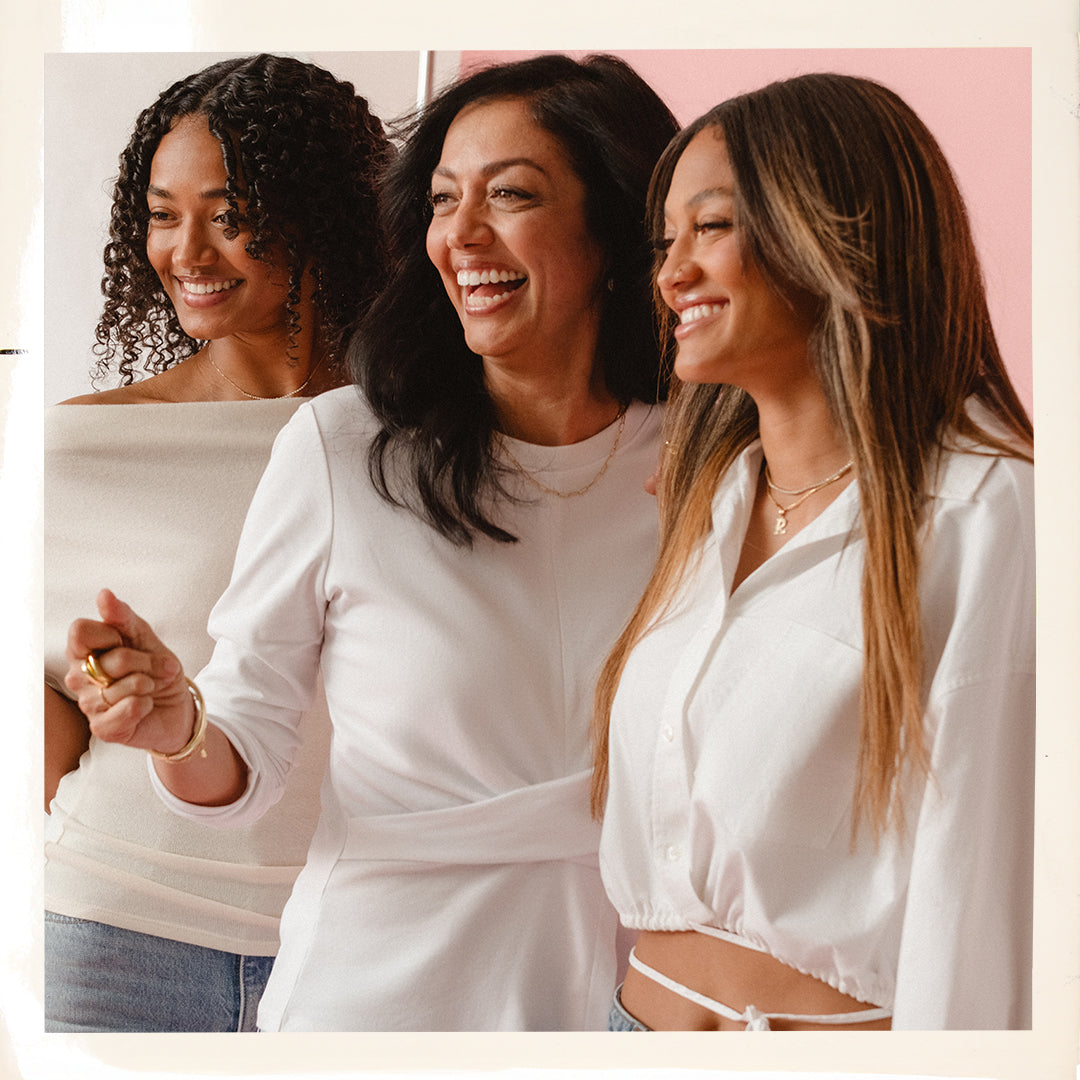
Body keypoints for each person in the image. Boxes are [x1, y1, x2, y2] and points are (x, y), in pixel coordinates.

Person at [63, 54, 679, 1030]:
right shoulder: (346, 447)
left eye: (509, 194)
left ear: (613, 223)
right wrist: (175, 724)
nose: (463, 233)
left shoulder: (708, 467)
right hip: (363, 994)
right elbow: (244, 742)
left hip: (622, 994)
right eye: (442, 199)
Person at [591, 73, 1035, 1032]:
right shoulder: (709, 502)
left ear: (837, 230)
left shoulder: (988, 514)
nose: (669, 276)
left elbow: (985, 895)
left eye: (710, 229)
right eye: (665, 241)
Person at [44, 53, 391, 1032]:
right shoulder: (82, 448)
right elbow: (47, 705)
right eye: (161, 213)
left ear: (324, 214)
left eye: (229, 213)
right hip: (112, 933)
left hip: (365, 947)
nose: (186, 250)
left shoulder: (423, 443)